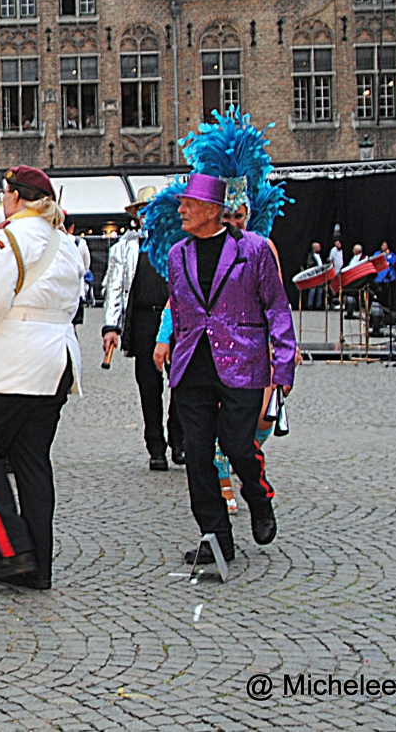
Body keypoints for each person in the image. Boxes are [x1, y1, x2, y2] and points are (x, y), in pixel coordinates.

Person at [0, 167, 81, 589]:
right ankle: (39, 566)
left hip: (10, 363)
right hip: (56, 359)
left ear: (16, 197)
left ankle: (11, 548)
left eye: (6, 192)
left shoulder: (4, 239)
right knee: (32, 460)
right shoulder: (65, 243)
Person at [157, 172, 295, 565]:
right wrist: (167, 340)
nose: (181, 211)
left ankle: (258, 495)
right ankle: (216, 537)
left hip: (242, 362)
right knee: (197, 453)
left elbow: (276, 307)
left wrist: (283, 365)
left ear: (211, 210)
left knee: (237, 445)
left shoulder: (254, 249)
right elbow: (178, 305)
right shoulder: (178, 254)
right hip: (192, 366)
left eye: (189, 204)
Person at [102, 186, 184, 471]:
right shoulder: (125, 247)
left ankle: (179, 438)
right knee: (149, 386)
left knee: (181, 382)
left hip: (175, 320)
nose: (147, 216)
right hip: (143, 321)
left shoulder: (177, 242)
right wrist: (111, 326)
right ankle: (156, 447)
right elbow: (115, 288)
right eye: (142, 211)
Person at [302, 242, 326, 311]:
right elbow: (310, 264)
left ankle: (319, 304)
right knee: (313, 289)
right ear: (314, 248)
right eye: (318, 247)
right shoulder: (311, 255)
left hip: (321, 274)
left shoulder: (320, 255)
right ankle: (310, 305)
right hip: (314, 275)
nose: (320, 248)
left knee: (320, 289)